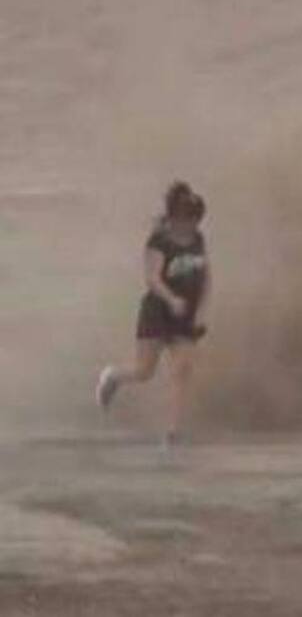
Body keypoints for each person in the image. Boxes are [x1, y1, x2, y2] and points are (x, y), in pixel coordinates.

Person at [95, 181, 211, 447]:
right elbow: (152, 278)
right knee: (144, 371)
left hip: (186, 314)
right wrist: (171, 300)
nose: (193, 224)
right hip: (158, 311)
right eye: (189, 218)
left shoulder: (198, 239)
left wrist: (202, 310)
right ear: (175, 217)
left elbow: (206, 277)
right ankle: (112, 377)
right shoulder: (159, 241)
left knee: (182, 370)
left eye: (197, 219)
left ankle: (173, 433)